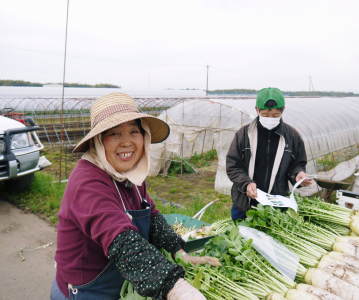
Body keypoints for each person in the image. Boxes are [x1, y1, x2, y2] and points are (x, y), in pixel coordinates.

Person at [50, 93, 220, 300]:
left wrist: (178, 251)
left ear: (144, 135)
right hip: (87, 291)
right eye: (114, 134)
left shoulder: (128, 174)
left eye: (133, 131)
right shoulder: (87, 182)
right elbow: (121, 240)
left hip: (118, 283)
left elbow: (152, 215)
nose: (127, 142)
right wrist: (175, 288)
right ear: (98, 141)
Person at [226, 87, 312, 221]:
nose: (270, 119)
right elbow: (233, 165)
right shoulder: (244, 135)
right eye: (265, 115)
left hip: (275, 204)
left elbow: (297, 164)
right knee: (239, 235)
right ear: (257, 110)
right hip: (244, 202)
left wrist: (298, 175)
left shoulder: (292, 136)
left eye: (275, 115)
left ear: (282, 111)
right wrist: (246, 184)